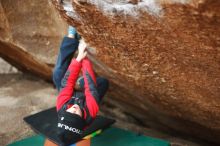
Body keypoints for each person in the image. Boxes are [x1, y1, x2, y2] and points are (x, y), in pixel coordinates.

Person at [52, 26, 109, 146]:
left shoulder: (62, 107)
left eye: (69, 112)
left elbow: (66, 84)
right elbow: (91, 87)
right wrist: (84, 58)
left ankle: (71, 38)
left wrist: (78, 59)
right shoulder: (91, 112)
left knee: (58, 74)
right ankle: (80, 81)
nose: (73, 109)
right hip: (86, 93)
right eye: (75, 115)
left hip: (70, 92)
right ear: (81, 119)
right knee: (102, 83)